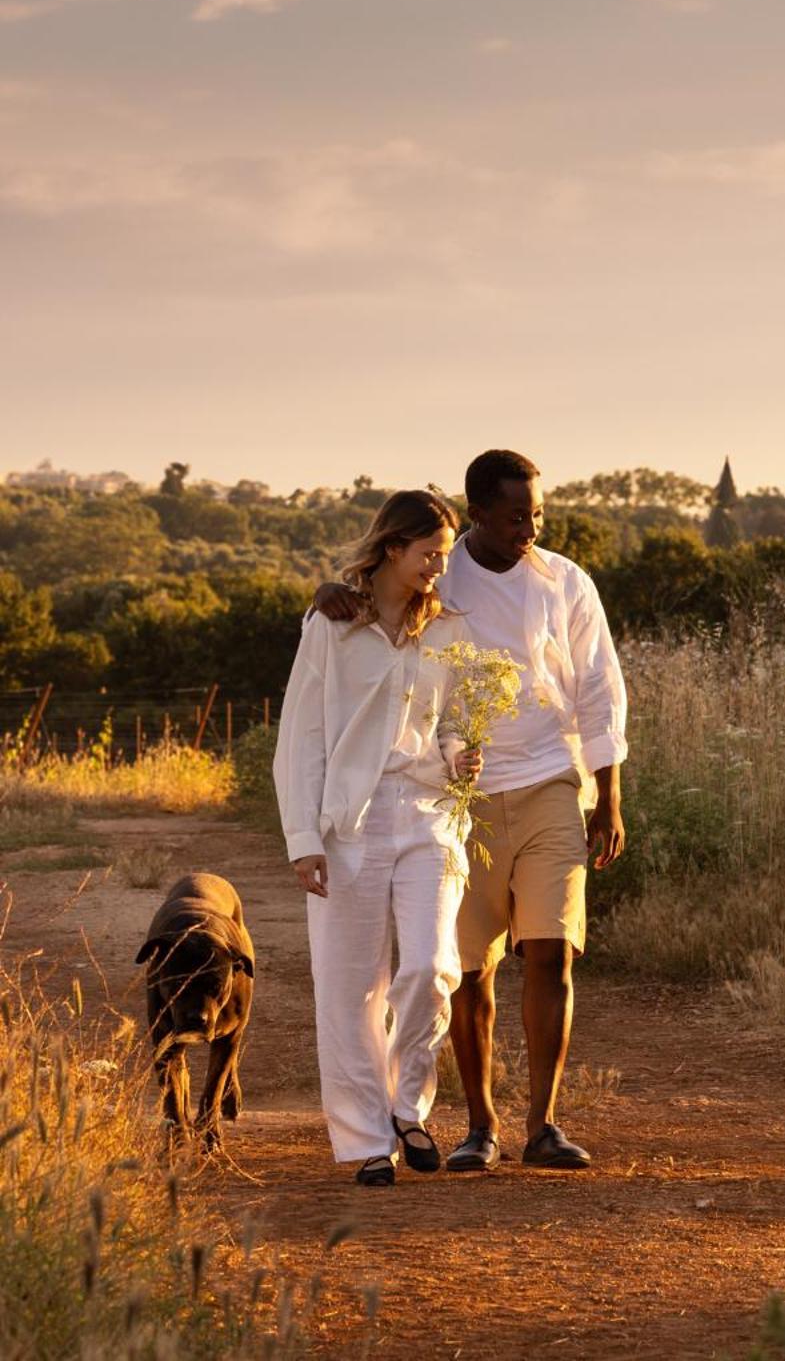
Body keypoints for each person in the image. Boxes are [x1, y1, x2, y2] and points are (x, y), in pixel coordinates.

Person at [315, 448, 627, 1171]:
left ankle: (543, 1125)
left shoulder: (565, 583)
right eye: (516, 514)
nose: (530, 526)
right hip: (458, 796)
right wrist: (331, 592)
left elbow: (599, 690)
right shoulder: (436, 572)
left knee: (552, 951)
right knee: (468, 970)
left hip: (553, 777)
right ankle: (480, 1126)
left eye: (538, 514)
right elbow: (375, 606)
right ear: (477, 511)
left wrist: (607, 796)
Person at [273, 488, 481, 1187]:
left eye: (445, 557)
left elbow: (451, 719)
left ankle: (406, 1104)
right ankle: (367, 1141)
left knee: (430, 966)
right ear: (393, 547)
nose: (437, 569)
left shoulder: (450, 629)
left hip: (428, 814)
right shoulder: (331, 625)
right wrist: (303, 835)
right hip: (347, 823)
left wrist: (458, 753)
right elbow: (302, 735)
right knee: (349, 986)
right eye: (429, 554)